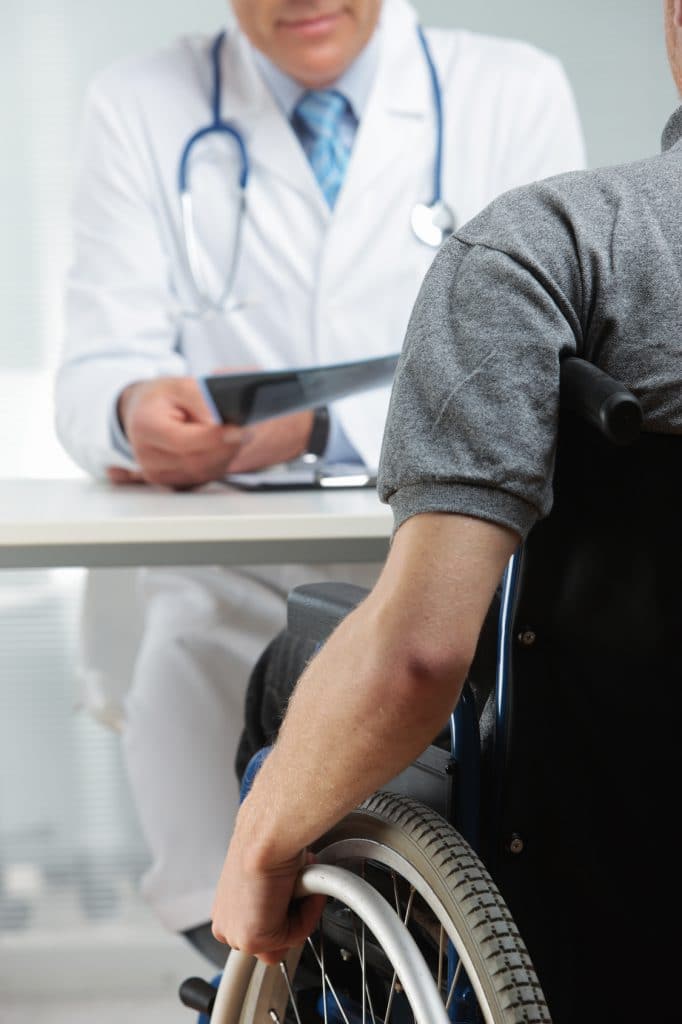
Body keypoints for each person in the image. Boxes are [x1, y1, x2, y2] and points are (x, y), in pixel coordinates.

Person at [55, 0, 584, 962]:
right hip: (217, 599)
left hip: (440, 585)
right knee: (229, 926)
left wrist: (315, 430)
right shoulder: (138, 103)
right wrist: (129, 407)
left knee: (441, 934)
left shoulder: (510, 91)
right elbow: (92, 364)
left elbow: (543, 373)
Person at [211, 0, 682, 1016]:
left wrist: (260, 846)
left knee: (294, 669)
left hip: (604, 891)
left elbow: (418, 656)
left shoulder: (551, 246)